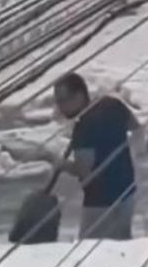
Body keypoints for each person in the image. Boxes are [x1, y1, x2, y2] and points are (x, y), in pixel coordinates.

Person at [53, 73, 141, 240]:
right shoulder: (112, 104)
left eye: (63, 101)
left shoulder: (83, 127)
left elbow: (84, 171)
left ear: (79, 95)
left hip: (99, 202)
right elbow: (136, 127)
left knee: (90, 252)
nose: (60, 107)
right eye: (58, 102)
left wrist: (60, 164)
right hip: (127, 193)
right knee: (121, 246)